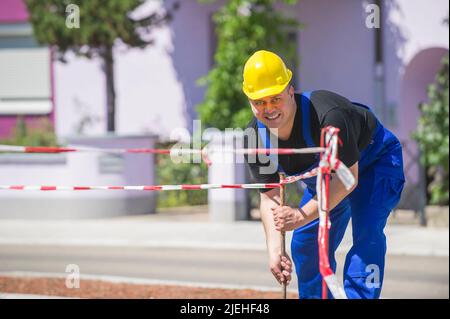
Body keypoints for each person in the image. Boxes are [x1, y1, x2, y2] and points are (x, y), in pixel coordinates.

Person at [242, 50, 405, 299]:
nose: (269, 108)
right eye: (260, 102)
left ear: (289, 90)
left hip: (374, 163)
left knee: (367, 234)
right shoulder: (254, 138)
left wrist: (301, 214)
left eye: (275, 98)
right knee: (304, 243)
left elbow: (348, 179)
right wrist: (275, 250)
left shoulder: (328, 116)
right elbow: (270, 198)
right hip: (327, 182)